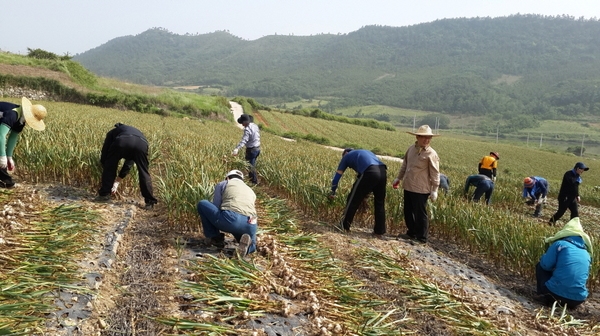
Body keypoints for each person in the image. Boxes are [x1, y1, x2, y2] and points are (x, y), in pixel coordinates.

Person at [393, 125, 440, 244]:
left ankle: (421, 238)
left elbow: (435, 172)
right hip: (408, 185)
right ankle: (411, 232)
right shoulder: (411, 149)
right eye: (424, 137)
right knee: (408, 211)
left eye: (429, 138)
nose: (426, 140)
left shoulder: (431, 154)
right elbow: (405, 165)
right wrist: (398, 178)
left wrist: (435, 189)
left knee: (420, 213)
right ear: (417, 137)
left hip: (421, 188)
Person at [197, 170, 257, 257]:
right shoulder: (251, 190)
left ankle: (215, 238)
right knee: (247, 239)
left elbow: (216, 206)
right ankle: (250, 247)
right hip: (250, 224)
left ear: (228, 178)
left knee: (202, 204)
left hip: (232, 220)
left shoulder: (224, 183)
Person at [97, 123, 158, 209]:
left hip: (122, 141)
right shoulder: (135, 132)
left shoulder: (112, 132)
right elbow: (128, 164)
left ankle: (104, 195)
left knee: (110, 165)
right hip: (142, 144)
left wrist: (105, 167)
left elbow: (105, 154)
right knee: (144, 171)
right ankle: (150, 202)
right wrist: (117, 182)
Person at [536, 217, 592, 309]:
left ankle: (543, 296)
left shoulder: (560, 244)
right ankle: (569, 304)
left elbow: (545, 265)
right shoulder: (586, 253)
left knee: (540, 266)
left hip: (554, 295)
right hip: (578, 300)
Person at [329, 148, 387, 237]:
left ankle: (343, 226)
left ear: (345, 153)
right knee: (379, 202)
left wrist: (332, 191)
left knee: (352, 199)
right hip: (382, 171)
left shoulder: (346, 156)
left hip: (369, 171)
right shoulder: (363, 152)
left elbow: (337, 176)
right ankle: (379, 231)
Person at [0, 97, 47, 188]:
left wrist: (9, 157)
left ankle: (6, 181)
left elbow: (12, 138)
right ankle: (7, 182)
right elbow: (1, 135)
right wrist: (2, 156)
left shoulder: (21, 121)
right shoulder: (13, 114)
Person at [232, 114, 261, 185]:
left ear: (245, 122)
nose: (242, 124)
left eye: (242, 123)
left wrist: (237, 148)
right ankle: (251, 179)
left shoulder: (247, 130)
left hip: (252, 150)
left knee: (250, 166)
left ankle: (254, 182)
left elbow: (244, 140)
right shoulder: (254, 125)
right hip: (257, 149)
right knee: (251, 165)